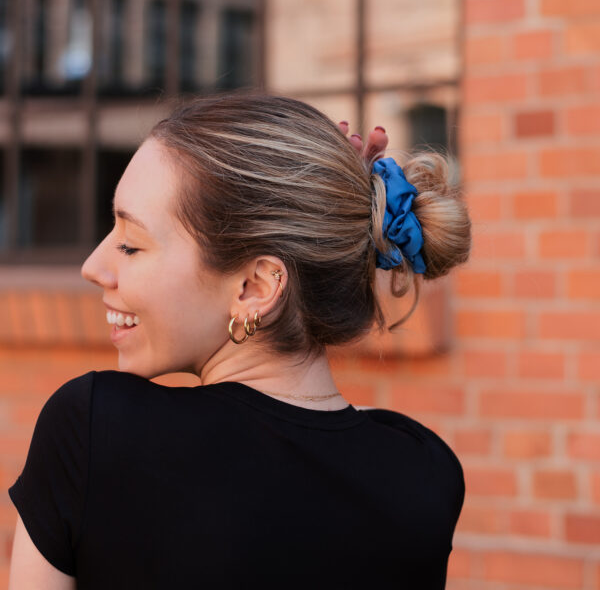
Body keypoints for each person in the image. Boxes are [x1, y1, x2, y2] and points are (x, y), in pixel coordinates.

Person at [8, 94, 471, 589]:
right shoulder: (425, 472)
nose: (93, 267)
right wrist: (332, 205)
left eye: (130, 244)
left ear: (255, 287)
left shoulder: (94, 430)